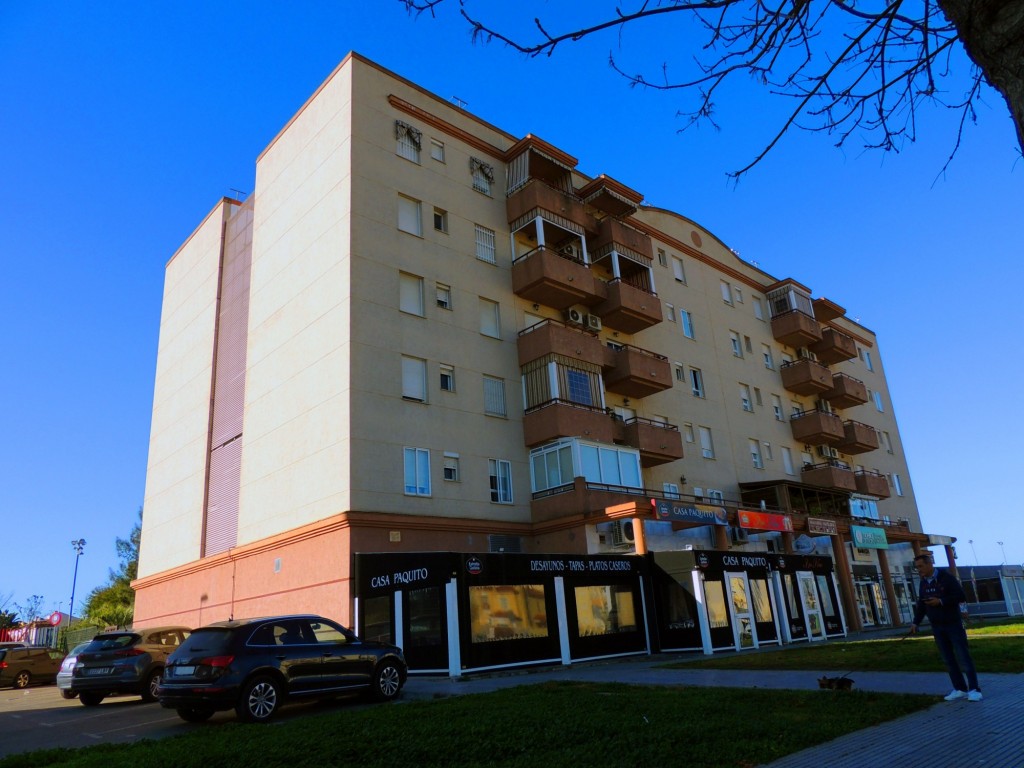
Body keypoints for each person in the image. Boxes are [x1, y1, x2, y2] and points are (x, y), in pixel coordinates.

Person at [909, 553, 982, 702]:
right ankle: (959, 688)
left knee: (963, 657)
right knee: (948, 659)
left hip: (953, 624)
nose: (919, 570)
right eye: (917, 567)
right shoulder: (923, 583)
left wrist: (941, 601)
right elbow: (922, 605)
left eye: (921, 566)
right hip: (937, 627)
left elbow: (960, 596)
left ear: (930, 564)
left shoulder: (946, 578)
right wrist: (915, 622)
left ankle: (974, 689)